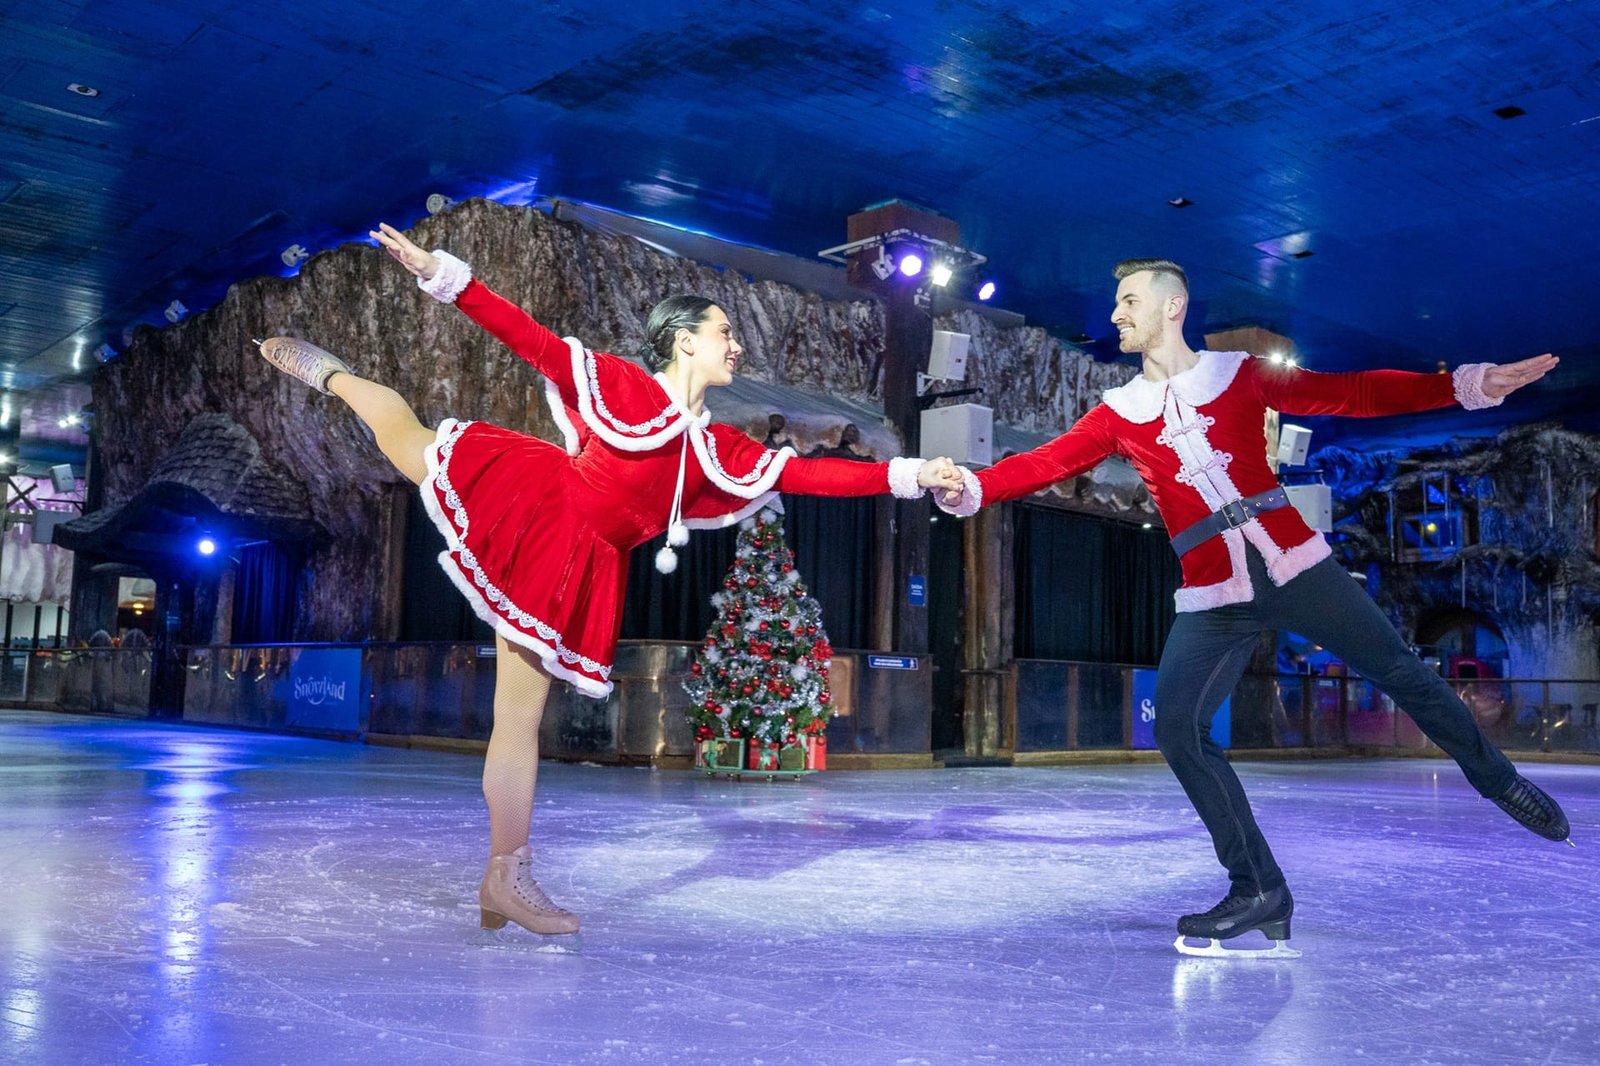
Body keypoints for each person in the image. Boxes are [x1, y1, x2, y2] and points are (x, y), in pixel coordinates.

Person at [258, 222, 962, 937]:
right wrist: (440, 272)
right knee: (410, 441)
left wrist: (910, 475)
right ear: (685, 340)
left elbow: (813, 474)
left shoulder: (718, 446)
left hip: (582, 565)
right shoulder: (620, 385)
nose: (735, 345)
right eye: (724, 332)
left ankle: (502, 874)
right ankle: (335, 375)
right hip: (536, 506)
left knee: (518, 720)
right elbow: (526, 335)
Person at [935, 257, 1569, 953]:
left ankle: (1499, 781)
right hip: (1213, 591)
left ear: (1172, 307)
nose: (1116, 314)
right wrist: (973, 487)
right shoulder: (1119, 414)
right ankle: (1259, 886)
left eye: (1128, 301)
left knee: (1400, 671)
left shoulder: (1238, 373)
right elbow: (1041, 464)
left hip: (1294, 563)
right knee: (1179, 728)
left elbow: (1351, 394)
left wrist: (1462, 384)